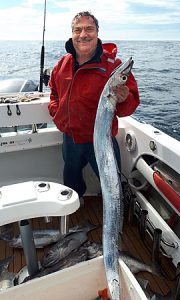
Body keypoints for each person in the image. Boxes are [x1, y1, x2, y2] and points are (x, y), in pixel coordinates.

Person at [48, 11, 140, 199]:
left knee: (112, 186)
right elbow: (54, 93)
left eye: (89, 29)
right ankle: (75, 209)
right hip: (71, 138)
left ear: (97, 33)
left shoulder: (114, 66)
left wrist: (124, 98)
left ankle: (114, 218)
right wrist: (57, 114)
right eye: (78, 30)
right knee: (71, 179)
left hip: (102, 140)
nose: (83, 34)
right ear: (72, 33)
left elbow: (129, 106)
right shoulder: (62, 64)